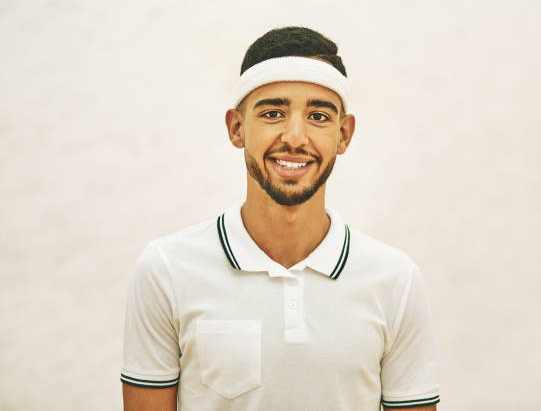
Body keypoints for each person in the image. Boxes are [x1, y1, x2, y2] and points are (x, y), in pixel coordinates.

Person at [121, 26, 440, 411]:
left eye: (318, 115)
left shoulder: (396, 280)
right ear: (237, 128)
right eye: (273, 113)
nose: (295, 137)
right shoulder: (166, 271)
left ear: (344, 134)